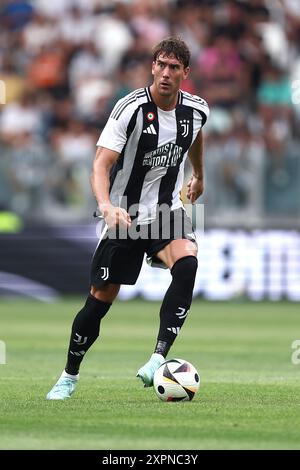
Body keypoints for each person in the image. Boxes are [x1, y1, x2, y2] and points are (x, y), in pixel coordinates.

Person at [46, 37, 209, 400]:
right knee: (100, 301)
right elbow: (101, 163)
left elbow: (195, 135)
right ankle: (69, 376)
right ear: (153, 67)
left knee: (187, 264)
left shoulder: (197, 110)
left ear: (185, 73)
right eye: (161, 65)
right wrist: (105, 205)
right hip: (125, 215)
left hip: (167, 211)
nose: (166, 73)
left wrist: (198, 174)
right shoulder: (130, 108)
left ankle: (157, 358)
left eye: (174, 67)